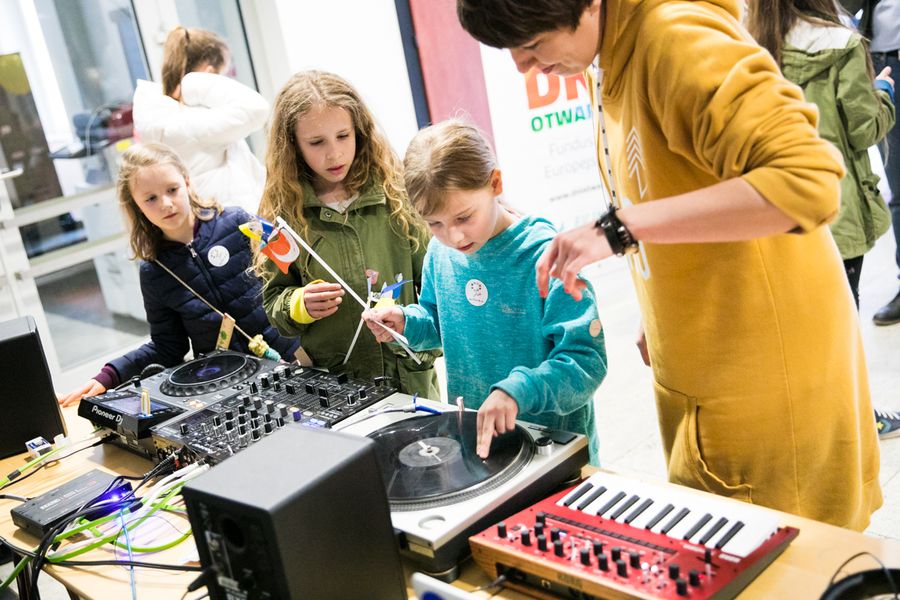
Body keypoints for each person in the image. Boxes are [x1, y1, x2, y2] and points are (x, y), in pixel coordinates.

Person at [457, 0, 881, 530]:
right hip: (708, 361)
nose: (523, 66)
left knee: (783, 566)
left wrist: (619, 230)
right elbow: (675, 182)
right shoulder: (610, 57)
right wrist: (662, 303)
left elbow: (807, 182)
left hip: (766, 377)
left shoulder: (673, 38)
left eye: (533, 44)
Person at [362, 120, 607, 464]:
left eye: (464, 217)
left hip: (552, 451)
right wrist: (405, 322)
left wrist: (519, 391)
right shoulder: (440, 252)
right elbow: (439, 320)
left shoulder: (548, 256)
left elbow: (586, 363)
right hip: (479, 445)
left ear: (495, 183)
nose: (455, 237)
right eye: (435, 223)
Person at [749, 1, 900, 445]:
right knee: (842, 324)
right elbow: (863, 129)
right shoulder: (843, 44)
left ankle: (807, 421)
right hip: (835, 207)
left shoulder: (747, 45)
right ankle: (855, 422)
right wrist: (885, 93)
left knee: (798, 323)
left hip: (775, 210)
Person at [58, 143, 299, 407]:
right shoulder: (154, 271)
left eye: (172, 190)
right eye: (150, 199)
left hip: (292, 358)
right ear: (136, 206)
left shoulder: (237, 222)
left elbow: (290, 274)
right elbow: (167, 346)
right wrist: (110, 375)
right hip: (228, 387)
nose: (166, 204)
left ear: (187, 183)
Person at [256, 71, 440, 400]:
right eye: (316, 142)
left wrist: (419, 334)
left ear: (360, 130)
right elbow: (274, 304)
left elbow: (434, 287)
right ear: (293, 146)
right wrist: (298, 306)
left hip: (409, 379)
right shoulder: (280, 214)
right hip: (336, 388)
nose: (335, 154)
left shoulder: (396, 192)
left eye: (343, 135)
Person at [132, 26, 267, 214]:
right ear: (209, 73)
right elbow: (257, 109)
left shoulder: (168, 118)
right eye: (220, 76)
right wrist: (195, 82)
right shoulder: (187, 124)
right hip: (232, 228)